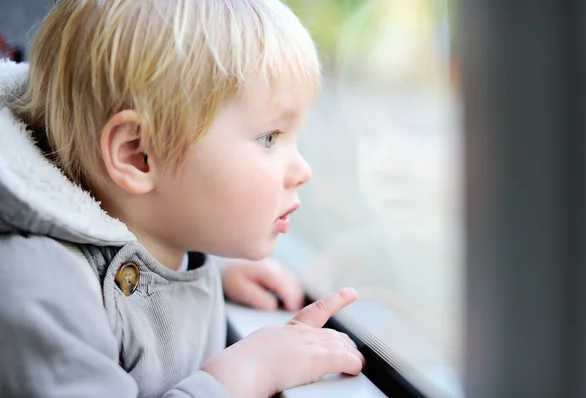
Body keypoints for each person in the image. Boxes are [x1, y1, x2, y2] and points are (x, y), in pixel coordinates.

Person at [0, 0, 364, 397]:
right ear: (137, 155)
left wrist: (211, 274)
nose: (303, 170)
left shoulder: (160, 231)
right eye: (269, 138)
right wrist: (245, 374)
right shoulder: (43, 288)